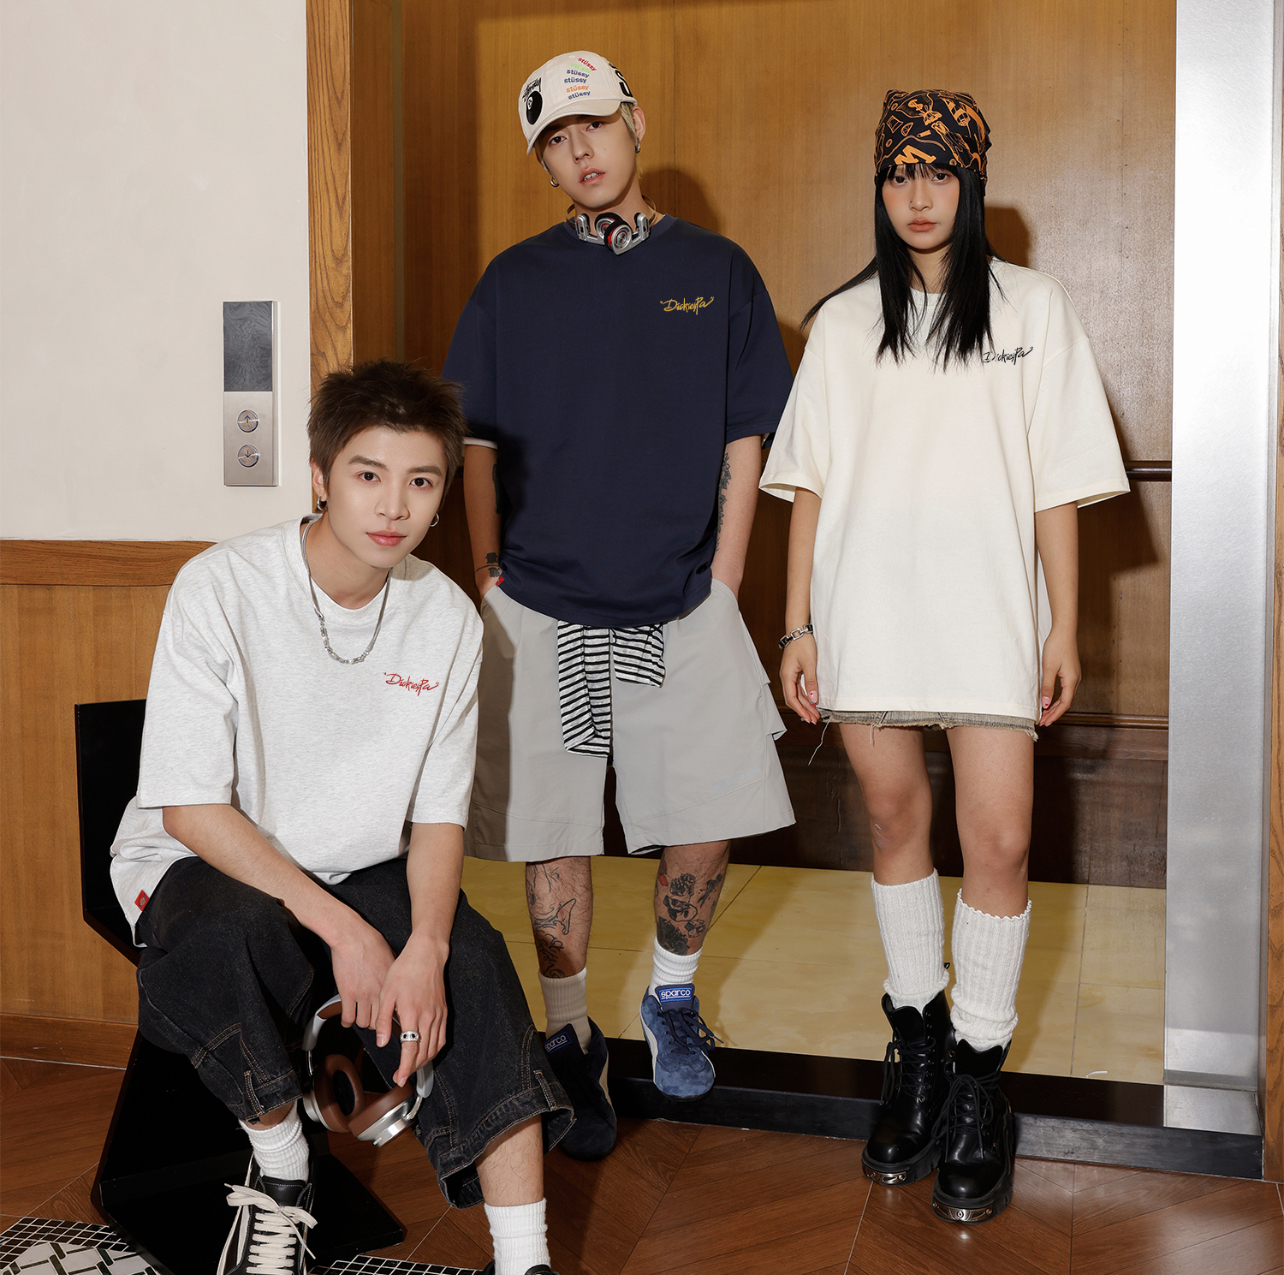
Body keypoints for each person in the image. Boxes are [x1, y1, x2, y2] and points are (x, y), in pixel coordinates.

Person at [110, 361, 571, 1275]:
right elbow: (191, 808)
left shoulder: (449, 619)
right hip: (205, 860)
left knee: (473, 960)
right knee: (231, 928)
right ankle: (286, 1171)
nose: (393, 505)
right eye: (368, 474)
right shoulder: (221, 587)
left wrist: (426, 945)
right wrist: (347, 931)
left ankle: (526, 1259)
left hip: (362, 862)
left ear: (444, 494)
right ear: (320, 476)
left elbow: (438, 817)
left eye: (421, 481)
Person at [761, 90, 1128, 1224]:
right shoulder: (841, 323)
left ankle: (978, 1079)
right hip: (866, 609)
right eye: (898, 173)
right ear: (879, 187)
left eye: (938, 171)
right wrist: (797, 624)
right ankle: (916, 1054)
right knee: (892, 822)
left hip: (989, 614)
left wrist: (1063, 625)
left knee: (1001, 838)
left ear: (971, 181)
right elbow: (806, 486)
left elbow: (1061, 483)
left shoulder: (1035, 308)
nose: (917, 194)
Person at [442, 50, 796, 1159]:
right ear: (544, 161)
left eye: (593, 124)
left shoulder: (717, 270)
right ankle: (568, 1034)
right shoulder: (512, 282)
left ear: (634, 122)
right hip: (541, 600)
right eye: (555, 140)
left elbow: (747, 435)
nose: (580, 150)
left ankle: (673, 992)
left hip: (683, 596)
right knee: (552, 831)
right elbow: (475, 444)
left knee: (705, 811)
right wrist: (488, 571)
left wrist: (727, 578)